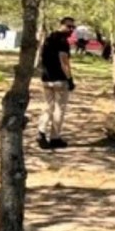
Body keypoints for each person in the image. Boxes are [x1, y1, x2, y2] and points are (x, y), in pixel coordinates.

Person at [37, 16, 76, 150]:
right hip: (60, 80)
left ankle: (41, 131)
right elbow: (64, 61)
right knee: (59, 109)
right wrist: (70, 79)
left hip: (46, 79)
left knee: (48, 106)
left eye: (73, 27)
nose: (71, 29)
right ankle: (55, 138)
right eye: (69, 26)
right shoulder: (62, 41)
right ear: (62, 25)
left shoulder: (48, 38)